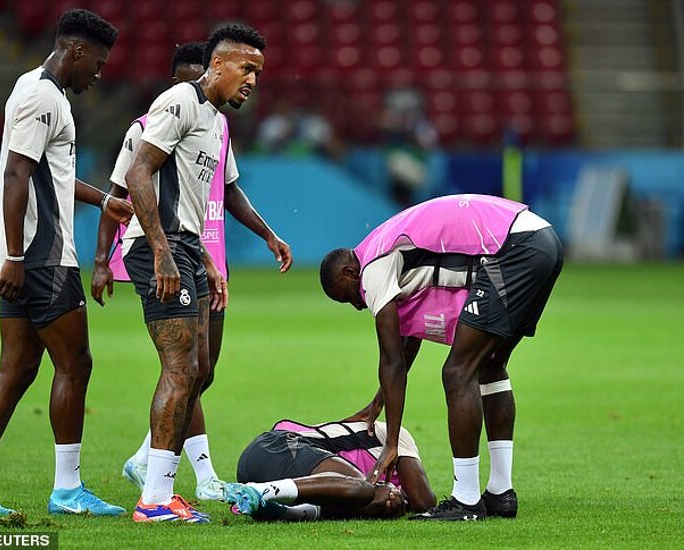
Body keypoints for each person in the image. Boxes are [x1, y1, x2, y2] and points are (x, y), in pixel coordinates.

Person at [90, 41, 292, 503]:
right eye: (246, 69)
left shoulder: (217, 121)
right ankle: (156, 498)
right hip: (160, 247)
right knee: (181, 370)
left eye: (258, 73)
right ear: (217, 64)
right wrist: (160, 251)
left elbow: (213, 196)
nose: (252, 81)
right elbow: (136, 175)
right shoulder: (180, 100)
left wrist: (253, 240)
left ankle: (152, 472)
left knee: (198, 371)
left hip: (187, 247)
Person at [0, 9, 131, 516]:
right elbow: (16, 175)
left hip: (27, 257)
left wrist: (104, 200)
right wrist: (16, 256)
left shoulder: (34, 89)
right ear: (76, 50)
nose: (98, 75)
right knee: (75, 364)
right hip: (42, 258)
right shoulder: (43, 97)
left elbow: (49, 173)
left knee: (16, 368)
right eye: (97, 64)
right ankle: (67, 489)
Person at [319, 194, 563, 521]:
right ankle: (500, 492)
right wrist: (377, 405)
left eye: (348, 296)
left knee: (457, 372)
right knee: (489, 366)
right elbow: (407, 344)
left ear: (350, 272)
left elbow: (391, 360)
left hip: (514, 248)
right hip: (542, 241)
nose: (358, 305)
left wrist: (391, 444)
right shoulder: (380, 245)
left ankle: (466, 500)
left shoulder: (372, 269)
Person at [222, 418, 436, 521]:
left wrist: (392, 505)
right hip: (278, 447)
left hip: (266, 470)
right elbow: (424, 502)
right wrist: (396, 497)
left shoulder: (386, 493)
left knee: (374, 502)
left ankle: (278, 509)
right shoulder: (393, 434)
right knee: (364, 489)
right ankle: (260, 491)